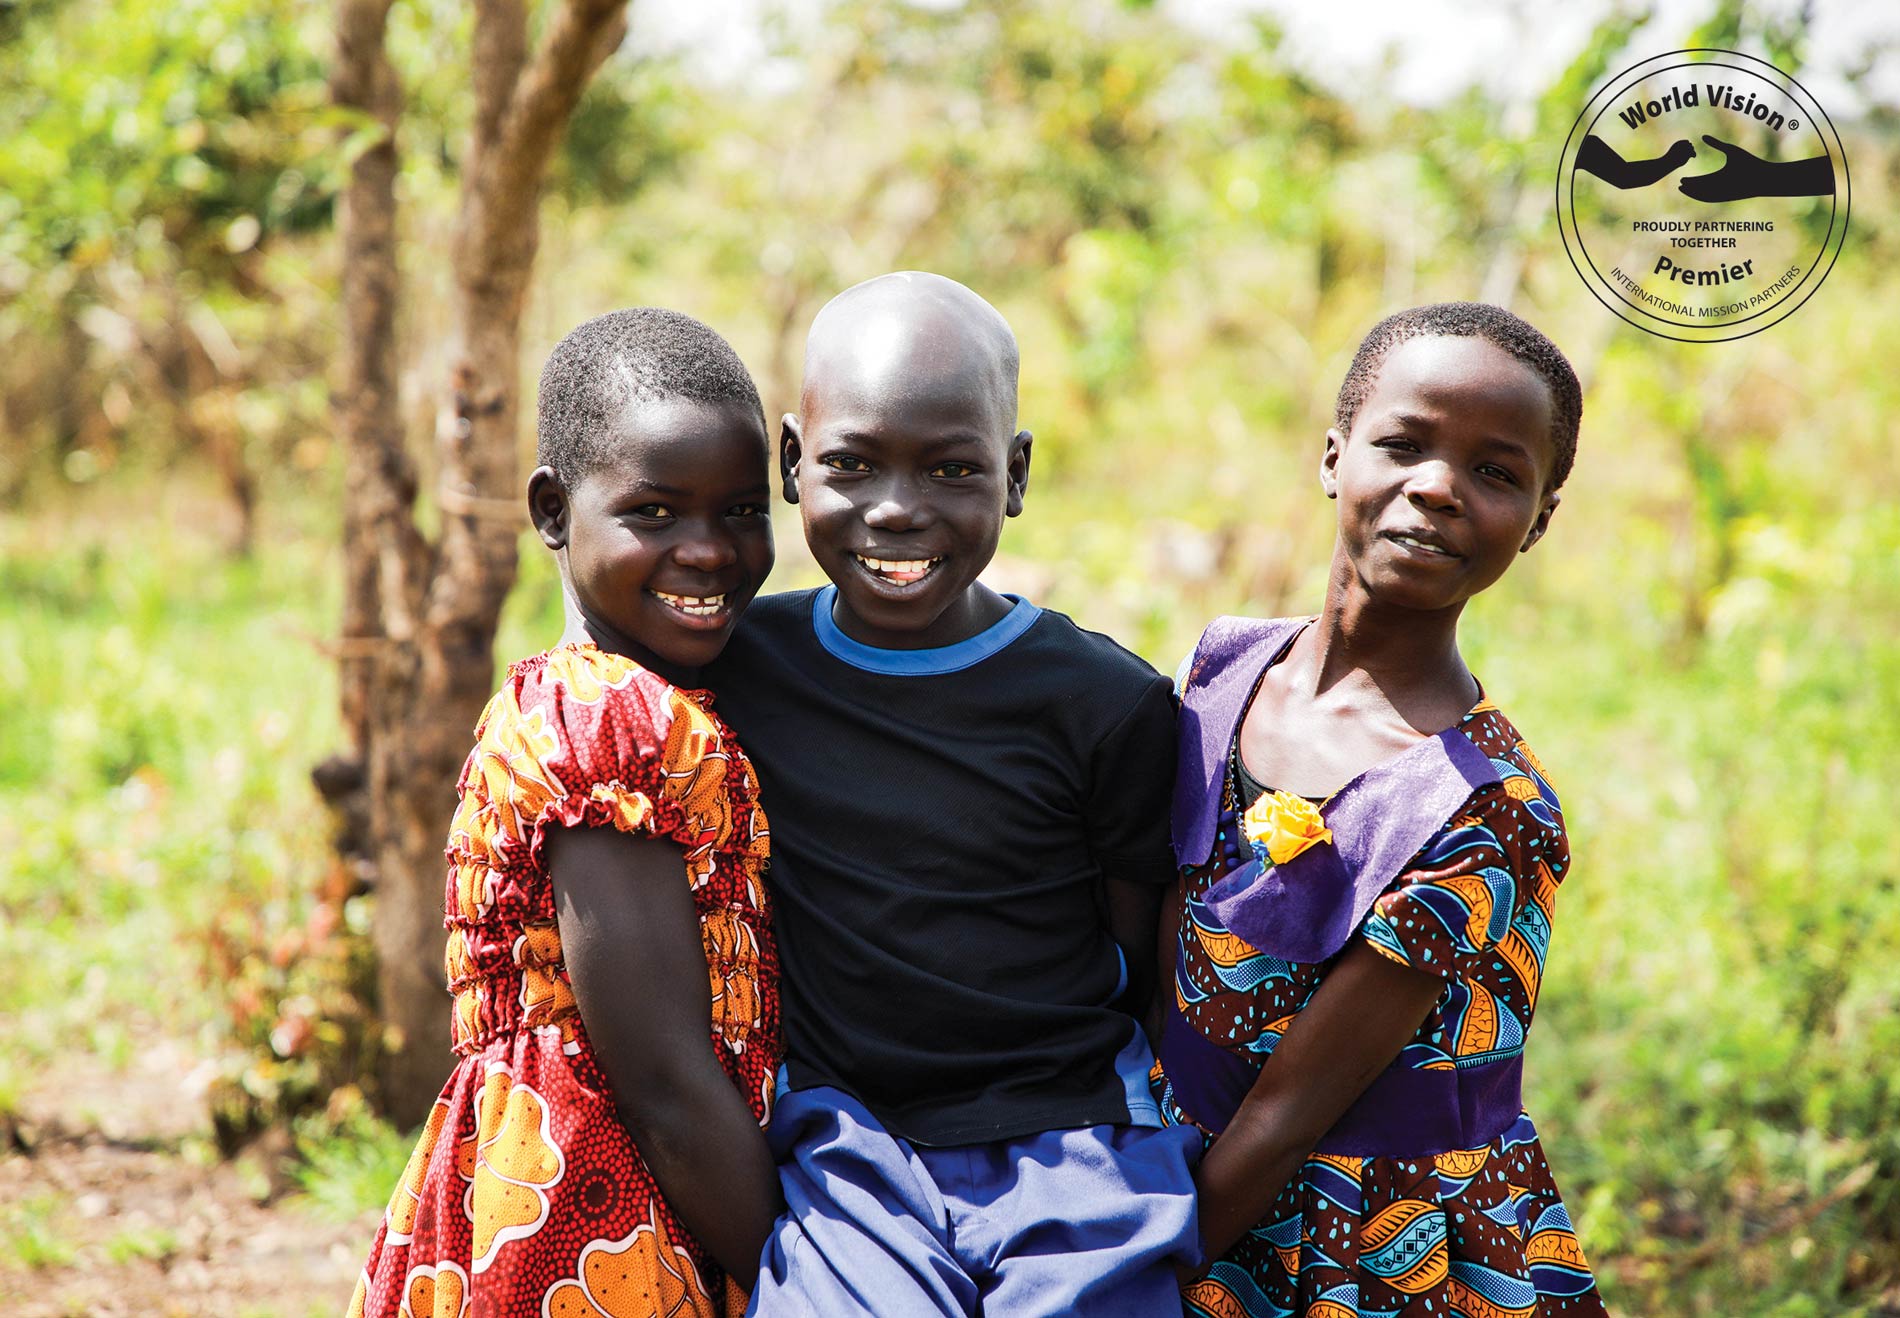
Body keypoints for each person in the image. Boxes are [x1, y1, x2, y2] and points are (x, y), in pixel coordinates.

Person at [707, 271, 1201, 1317]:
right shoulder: (744, 665)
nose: (897, 507)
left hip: (1073, 1137)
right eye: (851, 464)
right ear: (793, 463)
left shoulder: (1103, 702)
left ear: (1014, 473)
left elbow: (1133, 943)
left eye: (951, 467)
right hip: (847, 1144)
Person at [1155, 302, 1609, 1317]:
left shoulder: (1485, 805)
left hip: (1358, 1237)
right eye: (1402, 444)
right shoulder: (1222, 668)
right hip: (1172, 1154)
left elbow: (1288, 1112)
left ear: (1537, 519)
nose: (1437, 487)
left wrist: (1133, 1279)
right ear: (1332, 455)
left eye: (1495, 474)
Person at [349, 309, 782, 1318]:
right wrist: (804, 1278)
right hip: (595, 1218)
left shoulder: (624, 697)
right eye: (656, 513)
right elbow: (664, 1082)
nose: (708, 551)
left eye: (740, 511)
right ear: (551, 510)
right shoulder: (607, 721)